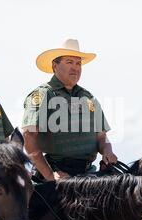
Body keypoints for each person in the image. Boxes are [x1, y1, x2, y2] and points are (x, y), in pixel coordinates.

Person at [22, 39, 117, 182]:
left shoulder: (89, 97)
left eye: (78, 63)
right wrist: (49, 176)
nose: (76, 68)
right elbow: (29, 138)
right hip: (55, 174)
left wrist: (107, 151)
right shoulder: (42, 94)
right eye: (69, 62)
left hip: (89, 174)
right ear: (55, 65)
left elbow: (101, 137)